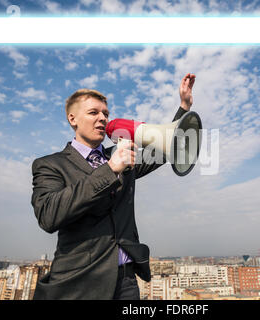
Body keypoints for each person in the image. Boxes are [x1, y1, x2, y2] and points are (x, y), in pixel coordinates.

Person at [31, 73, 196, 300]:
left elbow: (162, 149)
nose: (103, 118)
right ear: (72, 119)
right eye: (93, 113)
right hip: (78, 284)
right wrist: (110, 169)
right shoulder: (50, 165)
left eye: (106, 114)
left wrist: (183, 109)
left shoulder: (121, 157)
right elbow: (48, 216)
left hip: (126, 281)